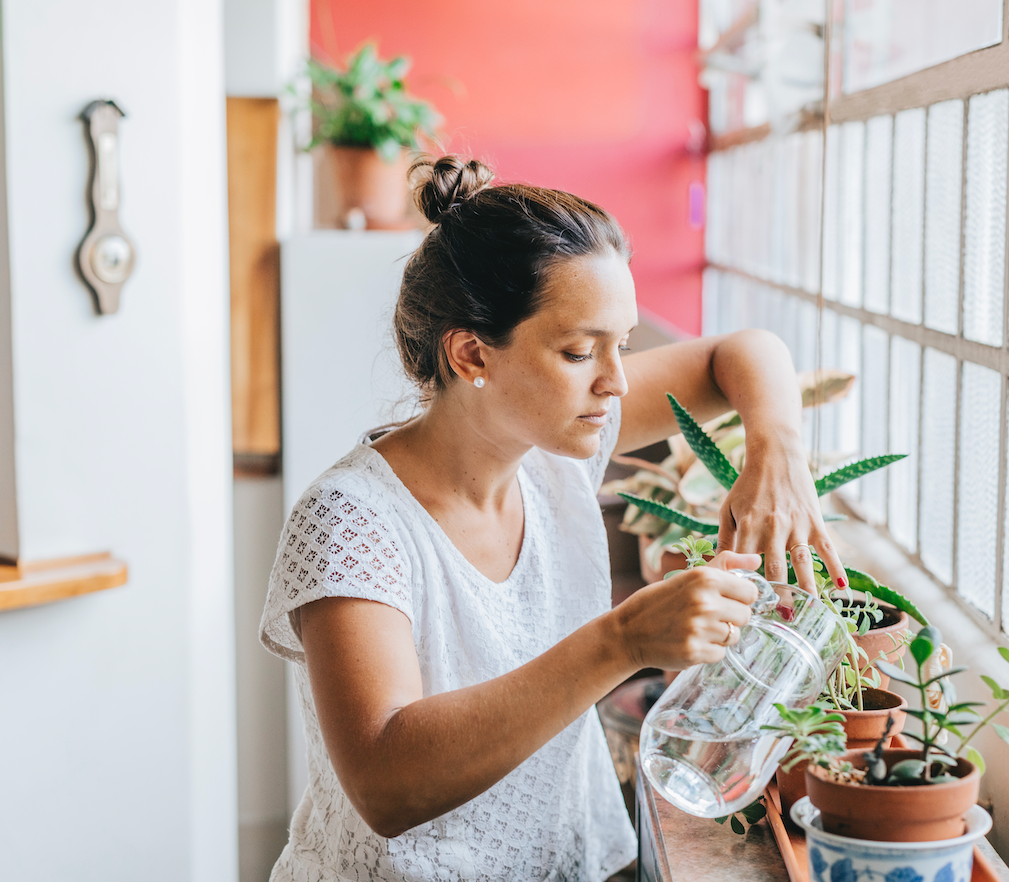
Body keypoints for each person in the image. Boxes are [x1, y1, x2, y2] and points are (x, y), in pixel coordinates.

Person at [259, 154, 847, 882]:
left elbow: (745, 352)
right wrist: (624, 639)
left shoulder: (559, 442)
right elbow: (387, 783)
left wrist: (777, 453)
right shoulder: (351, 521)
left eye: (623, 344)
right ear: (472, 353)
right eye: (578, 351)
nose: (617, 381)